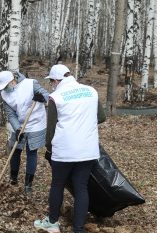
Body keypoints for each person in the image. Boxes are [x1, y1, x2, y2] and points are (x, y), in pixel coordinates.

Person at [34, 64, 106, 233]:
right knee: (81, 187)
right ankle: (78, 229)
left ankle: (52, 223)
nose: (52, 84)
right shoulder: (91, 91)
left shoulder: (56, 97)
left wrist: (49, 149)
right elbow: (101, 117)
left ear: (56, 80)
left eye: (51, 81)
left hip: (64, 150)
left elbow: (51, 130)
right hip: (88, 149)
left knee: (57, 184)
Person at [0, 70, 49, 194]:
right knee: (16, 150)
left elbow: (47, 95)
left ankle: (28, 184)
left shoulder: (30, 84)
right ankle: (13, 178)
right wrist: (17, 128)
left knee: (31, 152)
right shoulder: (4, 94)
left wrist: (42, 97)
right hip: (19, 124)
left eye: (6, 86)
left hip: (36, 122)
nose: (5, 89)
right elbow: (10, 114)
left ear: (12, 80)